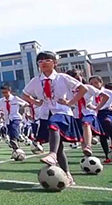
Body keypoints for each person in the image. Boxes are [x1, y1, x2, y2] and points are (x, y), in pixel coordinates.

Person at [21, 51, 86, 184]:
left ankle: (52, 155)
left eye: (47, 60)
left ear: (55, 63)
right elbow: (25, 94)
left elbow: (83, 89)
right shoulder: (36, 81)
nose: (43, 63)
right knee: (59, 146)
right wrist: (36, 102)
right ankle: (67, 174)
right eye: (40, 61)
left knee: (53, 124)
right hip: (45, 113)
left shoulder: (62, 78)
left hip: (62, 113)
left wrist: (70, 102)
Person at [0, 83, 29, 155]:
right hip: (7, 119)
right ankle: (16, 149)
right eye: (2, 93)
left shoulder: (15, 99)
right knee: (10, 133)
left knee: (14, 127)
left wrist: (23, 110)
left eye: (5, 92)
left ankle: (16, 138)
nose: (4, 94)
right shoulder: (1, 101)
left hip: (16, 117)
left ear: (9, 91)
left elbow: (26, 104)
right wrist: (0, 114)